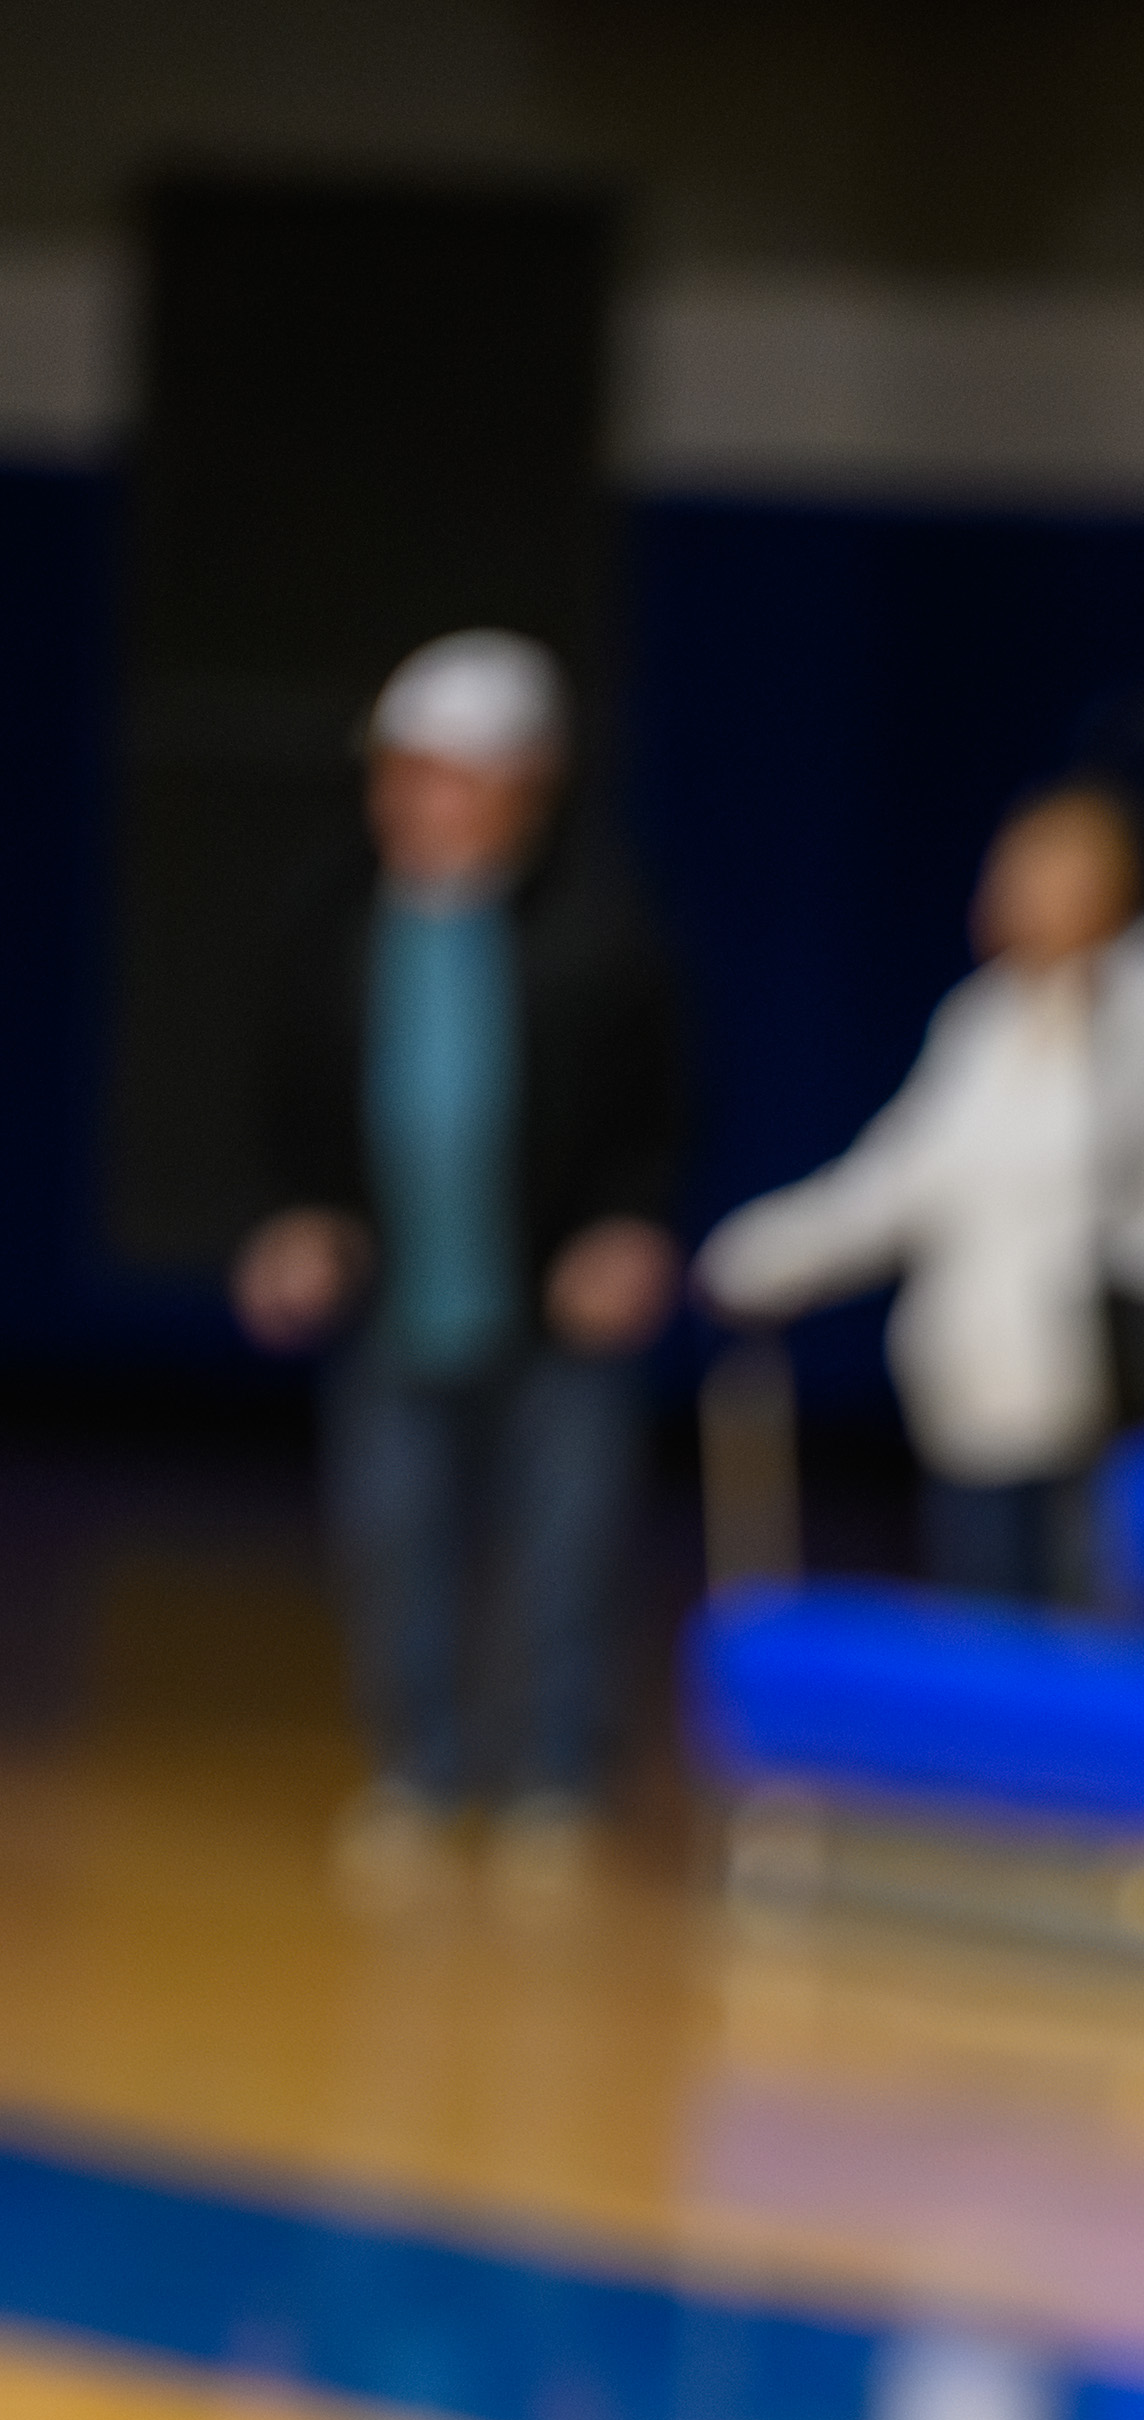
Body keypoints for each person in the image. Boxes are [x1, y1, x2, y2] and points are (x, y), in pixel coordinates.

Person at [232, 631, 686, 1908]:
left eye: (450, 776)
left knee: (562, 1552)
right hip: (396, 1304)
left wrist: (625, 1227)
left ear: (524, 786)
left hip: (551, 1311)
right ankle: (419, 1771)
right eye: (402, 773)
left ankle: (554, 1775)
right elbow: (285, 1102)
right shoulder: (332, 919)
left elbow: (658, 1107)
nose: (417, 802)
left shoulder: (597, 927)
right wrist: (300, 1219)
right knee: (393, 1544)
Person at [697, 781, 1144, 1598]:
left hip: (1115, 1419)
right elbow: (899, 1179)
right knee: (987, 1640)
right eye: (1018, 866)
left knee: (1104, 1652)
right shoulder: (983, 1019)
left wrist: (1139, 1292)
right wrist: (764, 1254)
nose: (1027, 889)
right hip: (980, 1410)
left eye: (1060, 866)